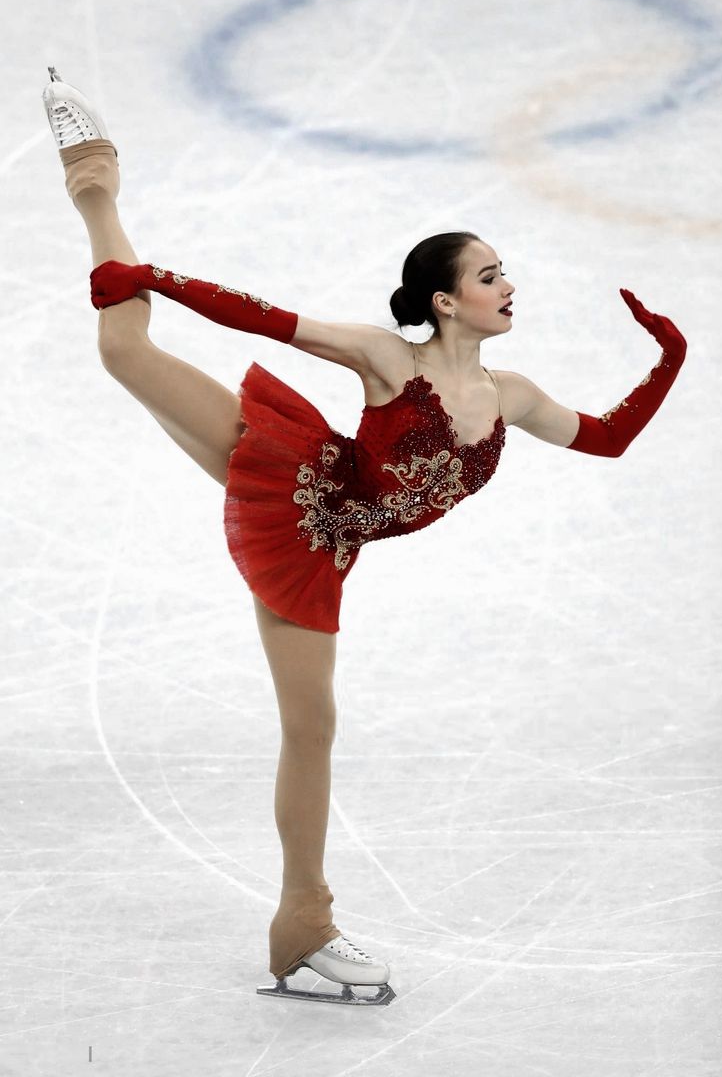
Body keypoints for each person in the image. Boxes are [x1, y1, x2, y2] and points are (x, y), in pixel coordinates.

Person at [41, 68, 687, 1007]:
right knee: (313, 723)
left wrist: (670, 359)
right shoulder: (391, 361)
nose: (510, 285)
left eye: (506, 271)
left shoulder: (512, 397)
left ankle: (301, 927)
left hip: (333, 529)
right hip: (301, 508)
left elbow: (609, 437)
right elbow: (265, 315)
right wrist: (150, 279)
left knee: (122, 353)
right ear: (444, 302)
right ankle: (94, 179)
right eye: (490, 274)